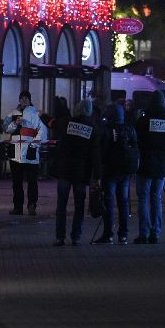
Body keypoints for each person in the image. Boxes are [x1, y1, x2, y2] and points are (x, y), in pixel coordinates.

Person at [51, 98, 102, 246]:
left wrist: (42, 115)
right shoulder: (92, 128)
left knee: (61, 204)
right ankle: (76, 236)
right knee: (79, 206)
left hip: (65, 170)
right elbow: (95, 155)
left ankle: (60, 237)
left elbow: (53, 124)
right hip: (81, 173)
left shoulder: (67, 122)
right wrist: (98, 176)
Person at [134, 91, 165, 244]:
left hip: (145, 165)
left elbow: (137, 140)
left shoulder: (144, 120)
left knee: (143, 199)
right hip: (161, 166)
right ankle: (155, 233)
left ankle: (143, 234)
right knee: (156, 198)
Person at [94, 101, 139, 244]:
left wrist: (98, 173)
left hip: (110, 172)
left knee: (109, 202)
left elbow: (101, 152)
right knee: (123, 202)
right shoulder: (130, 129)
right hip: (125, 171)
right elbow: (135, 147)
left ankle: (108, 234)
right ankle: (123, 235)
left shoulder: (107, 129)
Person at [3, 90, 48, 216]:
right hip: (15, 151)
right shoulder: (13, 114)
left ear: (29, 100)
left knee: (32, 182)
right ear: (19, 100)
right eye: (22, 98)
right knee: (16, 182)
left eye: (26, 98)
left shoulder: (35, 113)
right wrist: (14, 123)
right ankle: (18, 207)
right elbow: (5, 129)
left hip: (29, 151)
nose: (23, 100)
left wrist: (34, 145)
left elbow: (43, 131)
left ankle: (31, 206)